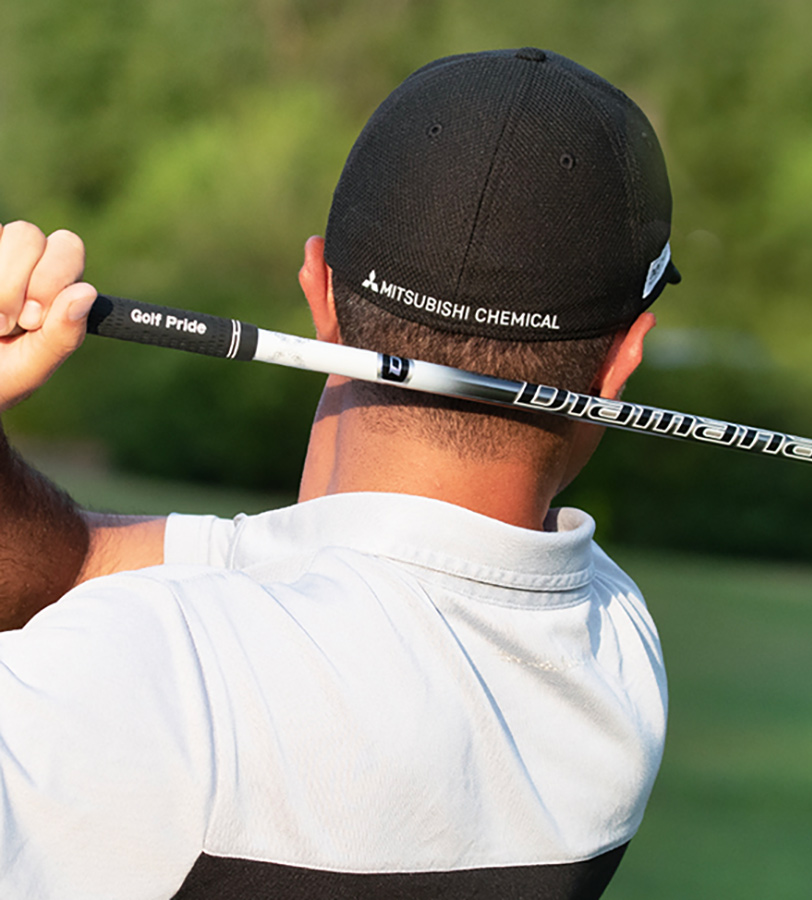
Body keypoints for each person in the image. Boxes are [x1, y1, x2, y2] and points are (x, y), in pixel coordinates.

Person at [0, 48, 679, 899]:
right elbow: (75, 569)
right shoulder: (614, 648)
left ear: (320, 294)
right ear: (623, 362)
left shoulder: (154, 679)